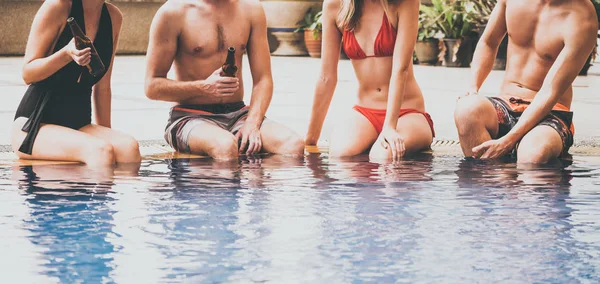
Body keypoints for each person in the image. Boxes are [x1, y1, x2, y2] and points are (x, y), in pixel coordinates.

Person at [145, 0, 305, 159]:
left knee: (293, 145)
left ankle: (255, 183)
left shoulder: (251, 9)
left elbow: (263, 79)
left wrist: (252, 123)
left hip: (239, 114)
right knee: (225, 146)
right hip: (189, 116)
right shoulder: (173, 12)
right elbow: (152, 86)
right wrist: (203, 87)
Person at [454, 0, 598, 164]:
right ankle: (489, 183)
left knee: (533, 154)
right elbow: (489, 42)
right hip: (507, 102)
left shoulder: (582, 16)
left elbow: (549, 92)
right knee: (467, 110)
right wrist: (473, 86)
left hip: (550, 112)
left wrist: (508, 141)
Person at [11, 0, 141, 167]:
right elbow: (28, 73)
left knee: (129, 150)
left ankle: (107, 193)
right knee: (100, 152)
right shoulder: (57, 6)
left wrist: (107, 136)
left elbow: (102, 87)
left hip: (78, 124)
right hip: (34, 124)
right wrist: (65, 54)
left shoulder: (113, 17)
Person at [305, 0, 434, 161]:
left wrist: (389, 127)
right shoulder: (335, 5)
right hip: (365, 111)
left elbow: (401, 69)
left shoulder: (404, 3)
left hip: (407, 112)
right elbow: (326, 77)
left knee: (383, 156)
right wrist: (310, 140)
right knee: (340, 155)